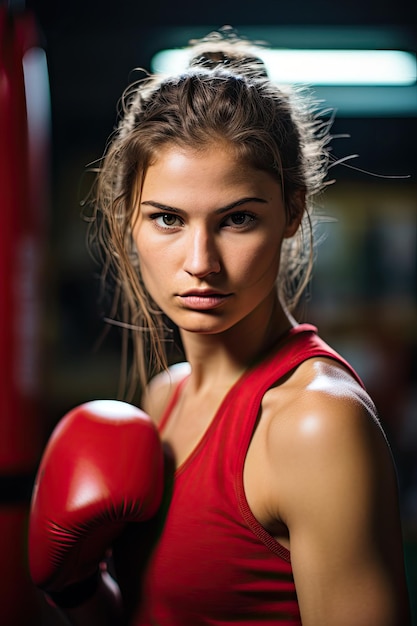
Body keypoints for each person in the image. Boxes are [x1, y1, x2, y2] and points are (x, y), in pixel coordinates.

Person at [29, 26, 411, 625]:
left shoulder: (314, 423)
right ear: (128, 219)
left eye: (237, 219)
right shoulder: (166, 398)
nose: (201, 262)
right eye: (167, 219)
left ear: (291, 212)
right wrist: (78, 589)